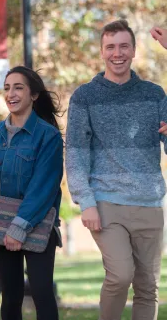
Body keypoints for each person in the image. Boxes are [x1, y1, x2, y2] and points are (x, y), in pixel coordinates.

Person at [66, 19, 167, 320]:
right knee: (121, 275)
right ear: (101, 52)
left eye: (124, 46)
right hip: (107, 203)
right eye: (110, 47)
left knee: (148, 286)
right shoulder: (85, 97)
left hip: (150, 204)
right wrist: (86, 202)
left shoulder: (155, 94)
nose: (117, 53)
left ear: (134, 50)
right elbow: (75, 153)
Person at [0, 66, 63, 320]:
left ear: (33, 95)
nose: (11, 93)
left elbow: (44, 186)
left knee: (42, 294)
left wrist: (19, 227)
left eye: (18, 87)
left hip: (36, 222)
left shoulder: (48, 136)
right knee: (10, 295)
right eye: (7, 88)